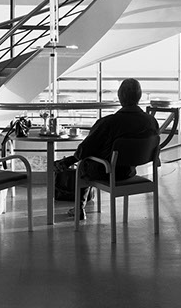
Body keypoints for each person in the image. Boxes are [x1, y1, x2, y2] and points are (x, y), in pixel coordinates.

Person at [54, 78, 159, 220]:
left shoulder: (109, 122)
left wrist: (69, 161)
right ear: (139, 97)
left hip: (107, 173)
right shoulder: (151, 122)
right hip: (130, 172)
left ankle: (79, 207)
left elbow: (85, 149)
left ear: (120, 96)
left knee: (84, 163)